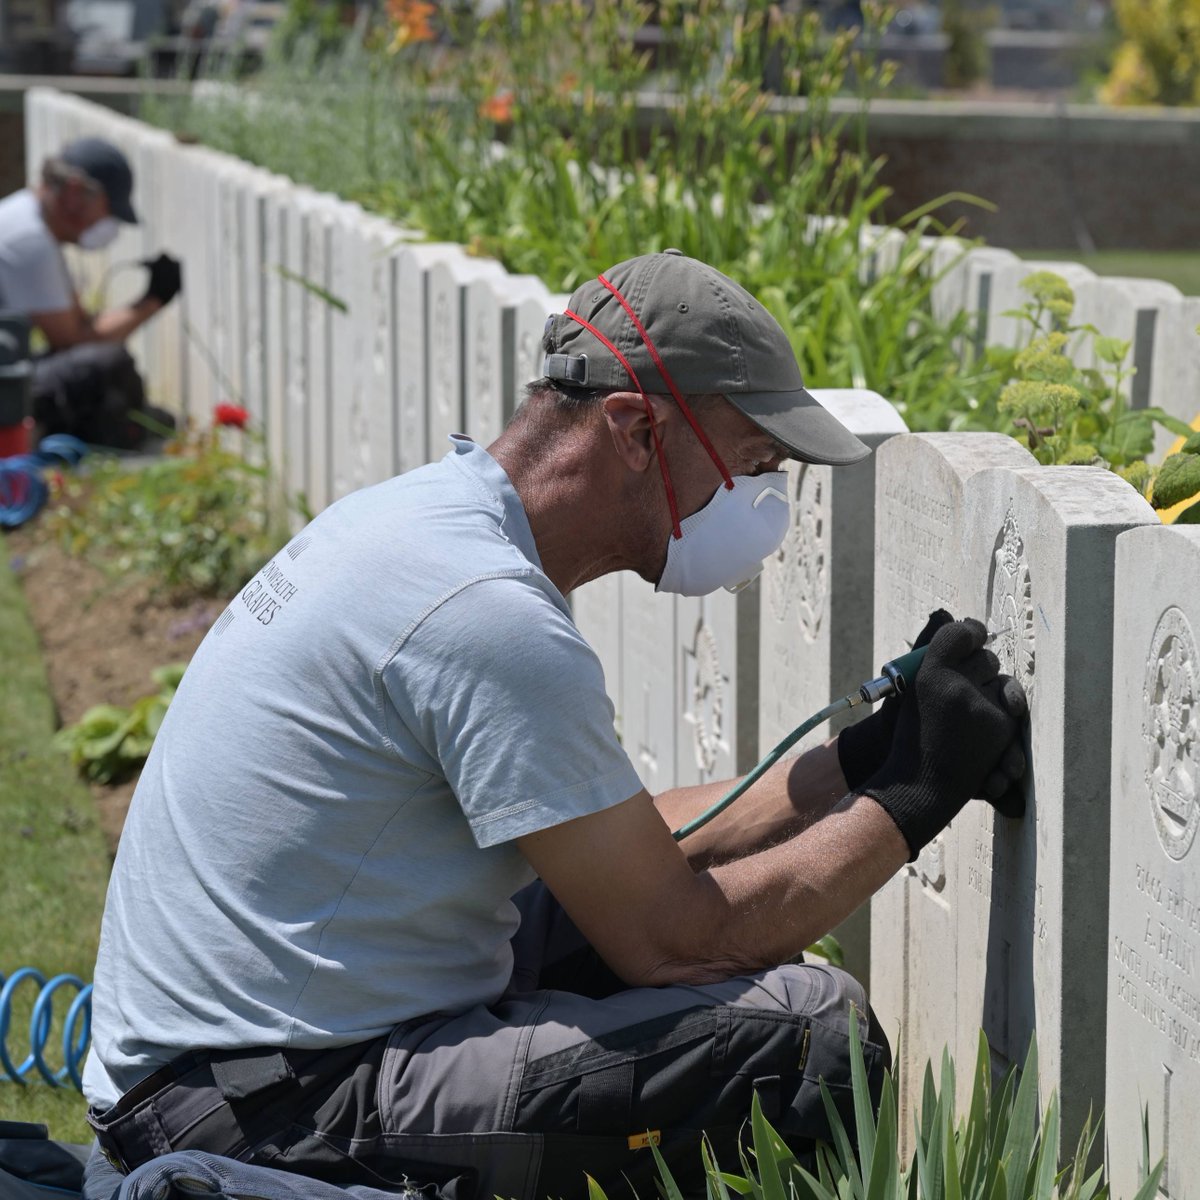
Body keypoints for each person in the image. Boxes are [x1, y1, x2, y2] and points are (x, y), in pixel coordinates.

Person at [80, 251, 1027, 1200]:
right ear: (634, 430)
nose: (762, 498)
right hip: (274, 1104)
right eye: (752, 463)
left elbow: (624, 846)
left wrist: (853, 764)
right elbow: (675, 939)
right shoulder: (483, 611)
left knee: (639, 921)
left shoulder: (433, 526)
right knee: (809, 1036)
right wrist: (917, 793)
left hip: (221, 1062)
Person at [0, 137, 182, 449]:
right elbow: (74, 342)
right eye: (108, 210)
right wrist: (152, 301)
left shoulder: (26, 218)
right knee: (106, 364)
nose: (105, 225)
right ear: (74, 191)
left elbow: (78, 325)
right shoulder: (31, 242)